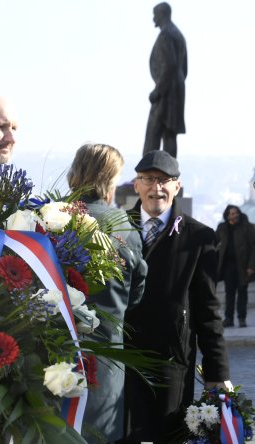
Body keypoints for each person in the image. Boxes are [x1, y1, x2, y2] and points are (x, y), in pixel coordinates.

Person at [124, 150, 230, 442]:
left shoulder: (200, 237)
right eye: (148, 179)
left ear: (177, 186)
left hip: (171, 364)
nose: (155, 187)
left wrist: (216, 373)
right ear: (136, 184)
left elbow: (209, 310)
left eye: (164, 180)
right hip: (121, 360)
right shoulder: (115, 230)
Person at [66, 143, 147, 443]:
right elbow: (135, 293)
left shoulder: (50, 215)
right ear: (109, 180)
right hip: (104, 359)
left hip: (53, 355)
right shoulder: (123, 226)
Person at [143, 2, 187, 158]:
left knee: (154, 131)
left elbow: (171, 64)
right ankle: (169, 172)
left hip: (166, 91)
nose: (153, 19)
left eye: (155, 15)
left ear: (162, 14)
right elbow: (184, 69)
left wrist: (158, 91)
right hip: (177, 89)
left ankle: (147, 172)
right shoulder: (178, 35)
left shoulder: (166, 35)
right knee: (170, 133)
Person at [216, 205, 255, 328]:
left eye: (236, 212)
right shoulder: (222, 228)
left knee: (242, 292)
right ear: (227, 216)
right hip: (228, 266)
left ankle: (242, 318)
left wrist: (251, 266)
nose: (235, 215)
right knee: (229, 293)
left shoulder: (248, 227)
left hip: (243, 266)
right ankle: (229, 318)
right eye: (232, 213)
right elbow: (214, 243)